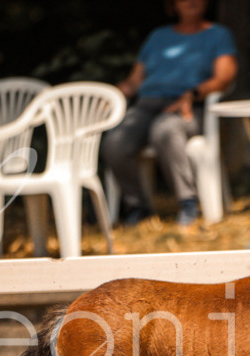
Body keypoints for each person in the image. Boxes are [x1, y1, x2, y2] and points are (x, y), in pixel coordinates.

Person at [101, 0, 237, 227]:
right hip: (146, 105)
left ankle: (188, 202)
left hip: (190, 105)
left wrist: (193, 94)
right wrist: (109, 97)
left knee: (165, 130)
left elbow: (224, 78)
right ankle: (137, 206)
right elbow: (134, 82)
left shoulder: (218, 35)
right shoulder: (158, 36)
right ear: (173, 5)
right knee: (115, 142)